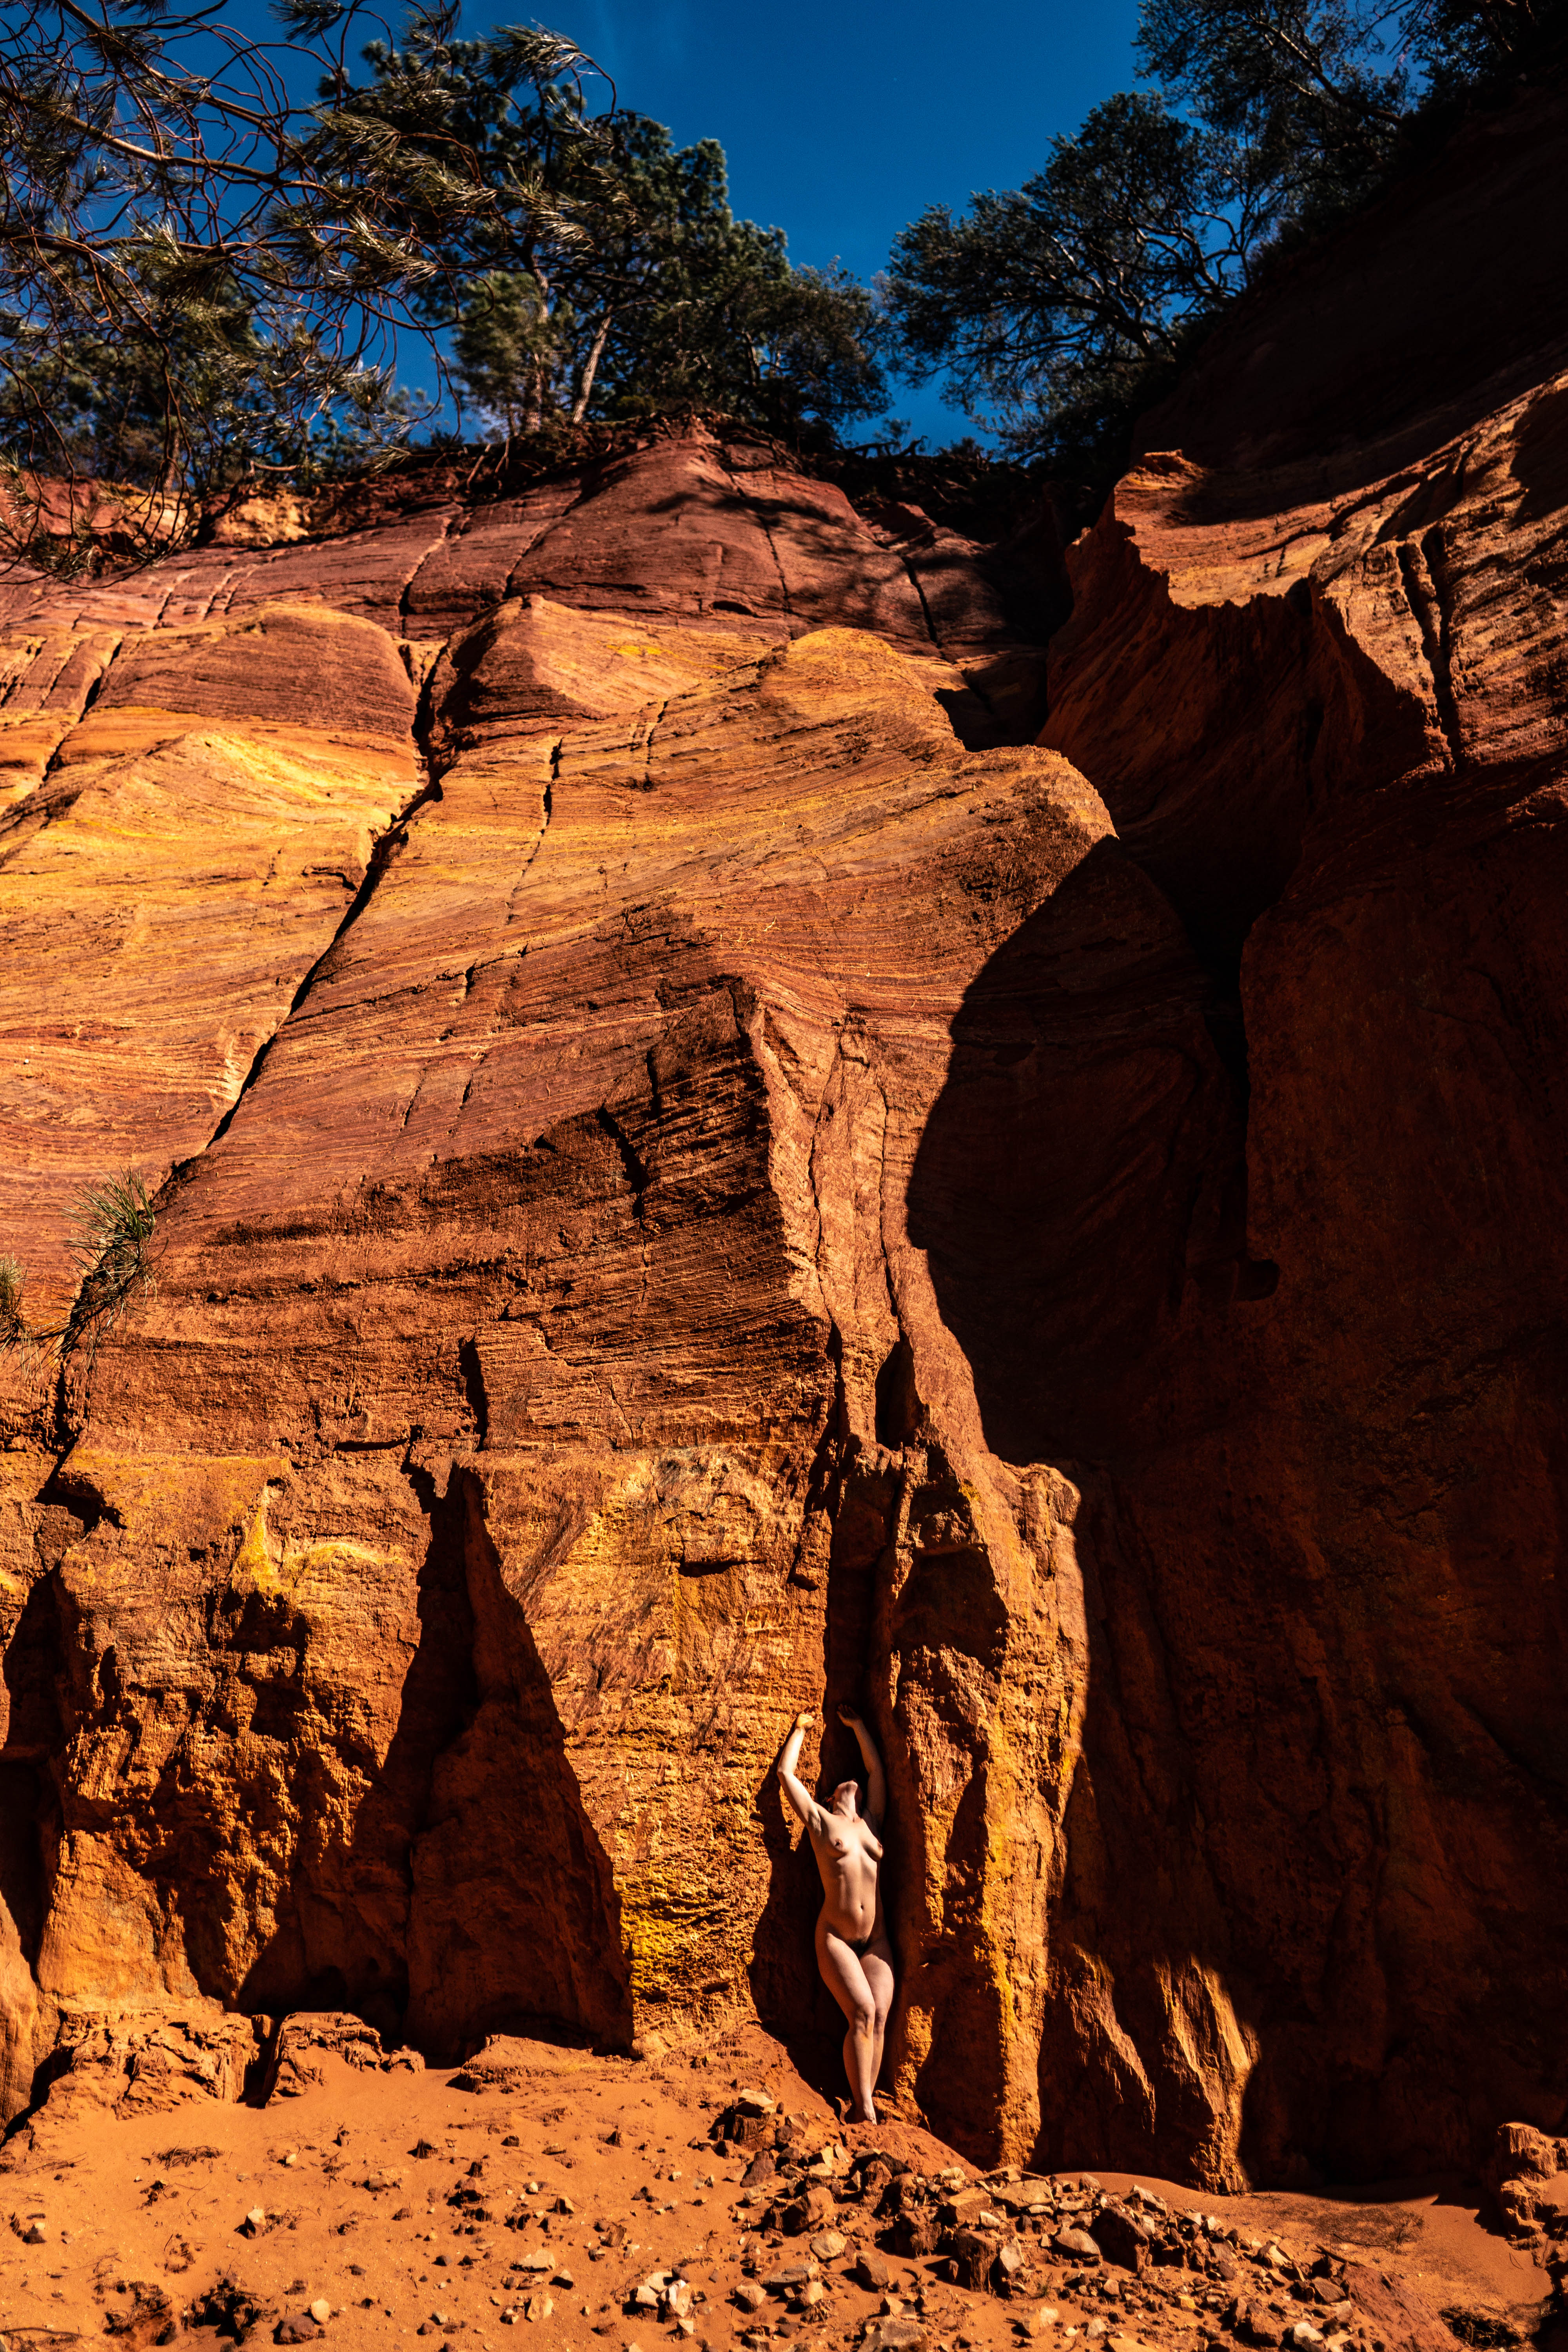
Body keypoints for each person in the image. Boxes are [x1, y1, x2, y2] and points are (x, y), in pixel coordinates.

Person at [776, 1704, 894, 2125]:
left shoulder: (872, 1821)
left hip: (876, 1941)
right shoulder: (821, 1821)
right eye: (845, 1781)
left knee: (878, 2019)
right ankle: (864, 2108)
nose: (853, 1779)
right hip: (836, 1938)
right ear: (830, 1797)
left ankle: (866, 2102)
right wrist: (799, 1730)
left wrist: (859, 1725)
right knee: (861, 2011)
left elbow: (876, 1771)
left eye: (855, 1781)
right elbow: (786, 1775)